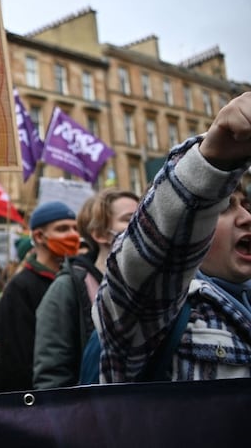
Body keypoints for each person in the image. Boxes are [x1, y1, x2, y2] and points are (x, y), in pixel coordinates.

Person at [95, 91, 251, 383]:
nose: (246, 218)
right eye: (223, 207)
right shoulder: (153, 314)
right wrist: (214, 162)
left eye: (247, 206)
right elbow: (147, 266)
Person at [33, 188, 138, 389]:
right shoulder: (68, 288)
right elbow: (53, 376)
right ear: (99, 234)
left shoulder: (153, 285)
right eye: (129, 218)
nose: (141, 224)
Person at [0, 200, 78, 392]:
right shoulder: (19, 288)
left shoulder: (77, 280)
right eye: (63, 229)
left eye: (75, 228)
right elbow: (16, 361)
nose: (73, 235)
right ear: (39, 236)